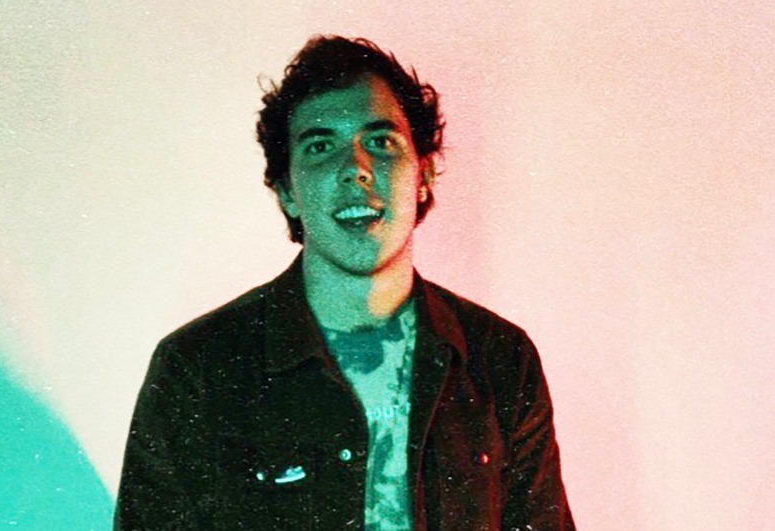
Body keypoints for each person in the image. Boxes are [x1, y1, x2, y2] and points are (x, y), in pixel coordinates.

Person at [115, 35, 574, 530]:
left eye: (380, 142)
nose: (355, 169)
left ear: (424, 175)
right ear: (287, 192)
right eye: (320, 147)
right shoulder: (198, 369)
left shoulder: (500, 359)